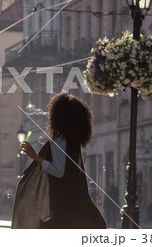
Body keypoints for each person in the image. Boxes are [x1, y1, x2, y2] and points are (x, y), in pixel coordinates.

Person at [12, 93, 107, 229]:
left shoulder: (59, 139)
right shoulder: (74, 142)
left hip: (63, 203)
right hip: (78, 202)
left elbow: (58, 171)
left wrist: (35, 156)